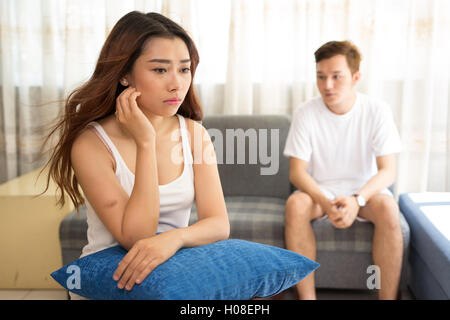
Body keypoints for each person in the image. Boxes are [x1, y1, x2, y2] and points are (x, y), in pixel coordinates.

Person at [41, 11, 229, 299]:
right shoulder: (91, 144)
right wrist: (145, 143)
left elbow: (218, 223)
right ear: (125, 75)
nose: (176, 83)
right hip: (110, 278)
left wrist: (174, 238)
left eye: (184, 69)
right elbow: (137, 238)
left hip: (168, 273)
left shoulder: (194, 134)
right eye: (160, 70)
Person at [283, 40, 403, 300]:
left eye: (336, 77)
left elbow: (388, 171)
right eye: (321, 77)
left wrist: (357, 199)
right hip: (321, 192)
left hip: (365, 193)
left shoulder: (377, 111)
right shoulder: (306, 112)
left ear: (355, 77)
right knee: (296, 204)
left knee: (390, 208)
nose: (327, 85)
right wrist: (326, 203)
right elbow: (297, 173)